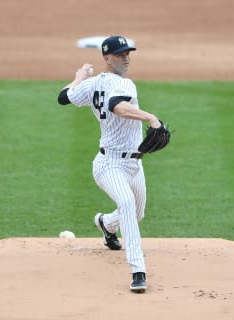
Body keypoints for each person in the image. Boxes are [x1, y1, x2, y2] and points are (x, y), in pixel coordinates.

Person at [57, 35, 163, 293]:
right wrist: (151, 118)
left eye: (128, 53)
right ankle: (138, 270)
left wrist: (79, 78)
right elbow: (117, 106)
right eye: (120, 54)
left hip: (134, 165)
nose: (126, 58)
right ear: (106, 58)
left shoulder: (92, 84)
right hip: (108, 164)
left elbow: (64, 96)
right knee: (126, 204)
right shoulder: (124, 85)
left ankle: (106, 224)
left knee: (137, 214)